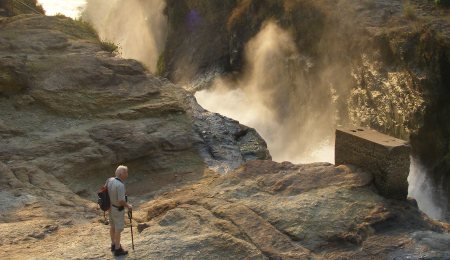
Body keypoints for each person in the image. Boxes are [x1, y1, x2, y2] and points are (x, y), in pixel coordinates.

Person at [107, 165, 132, 256]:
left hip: (110, 208)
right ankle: (118, 249)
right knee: (118, 229)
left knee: (112, 226)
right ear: (121, 174)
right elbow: (121, 200)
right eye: (126, 172)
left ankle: (113, 244)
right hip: (118, 209)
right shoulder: (120, 185)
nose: (127, 174)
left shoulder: (109, 180)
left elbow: (106, 193)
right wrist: (128, 206)